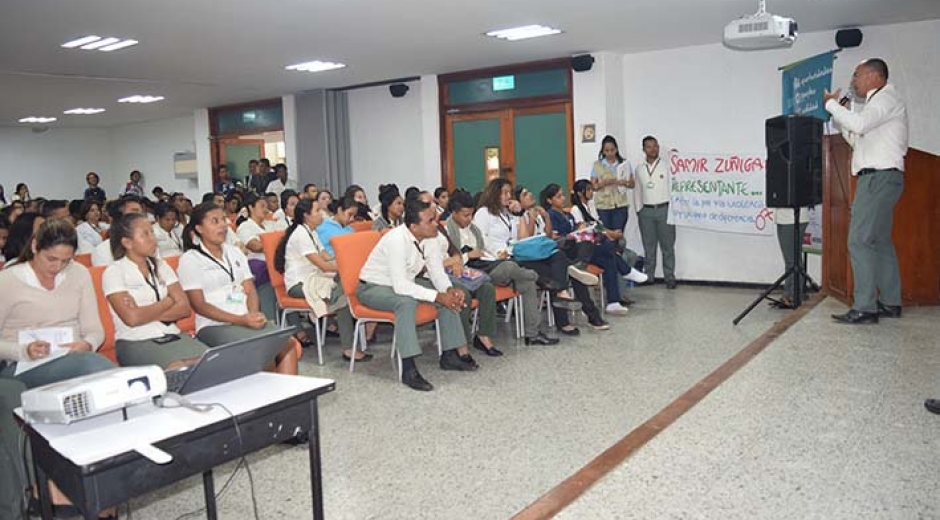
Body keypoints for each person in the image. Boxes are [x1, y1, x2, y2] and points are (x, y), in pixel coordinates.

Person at [0, 220, 115, 517]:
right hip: (22, 363)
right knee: (96, 368)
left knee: (92, 365)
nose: (57, 267)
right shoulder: (9, 280)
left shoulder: (77, 274)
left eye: (65, 260)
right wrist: (22, 349)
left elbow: (94, 329)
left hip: (70, 355)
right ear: (35, 247)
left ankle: (100, 474)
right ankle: (51, 488)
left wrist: (87, 343)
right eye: (51, 259)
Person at [358, 198, 479, 391]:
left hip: (404, 283)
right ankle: (408, 368)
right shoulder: (396, 240)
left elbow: (435, 270)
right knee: (405, 303)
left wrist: (447, 290)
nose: (436, 224)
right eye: (430, 221)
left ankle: (450, 354)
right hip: (373, 287)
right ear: (414, 226)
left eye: (434, 219)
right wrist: (438, 296)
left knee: (447, 296)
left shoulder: (430, 237)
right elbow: (400, 286)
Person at [823, 58, 907, 324]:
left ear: (873, 76)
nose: (853, 82)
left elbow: (859, 125)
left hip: (877, 180)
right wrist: (841, 118)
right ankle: (891, 302)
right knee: (879, 241)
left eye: (856, 76)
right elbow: (858, 140)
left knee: (858, 240)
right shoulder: (878, 104)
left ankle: (865, 307)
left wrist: (831, 105)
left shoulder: (885, 99)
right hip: (883, 178)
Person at [176, 202, 299, 374]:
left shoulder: (234, 252)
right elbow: (199, 306)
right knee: (263, 347)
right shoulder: (190, 259)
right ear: (199, 228)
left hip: (245, 319)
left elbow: (250, 290)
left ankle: (289, 398)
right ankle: (269, 397)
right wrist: (241, 320)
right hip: (215, 325)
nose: (223, 225)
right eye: (214, 221)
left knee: (289, 343)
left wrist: (252, 314)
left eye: (223, 220)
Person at [473, 178, 607, 334]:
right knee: (561, 270)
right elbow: (480, 239)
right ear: (494, 194)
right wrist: (497, 252)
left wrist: (520, 214)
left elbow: (521, 238)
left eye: (510, 192)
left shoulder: (508, 213)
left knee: (558, 258)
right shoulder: (483, 213)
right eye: (504, 193)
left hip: (518, 252)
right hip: (499, 259)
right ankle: (578, 311)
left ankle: (565, 299)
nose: (508, 196)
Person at [445, 190, 560, 348]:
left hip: (486, 264)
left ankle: (532, 334)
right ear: (454, 213)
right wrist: (468, 256)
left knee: (526, 283)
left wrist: (497, 253)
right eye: (465, 215)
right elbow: (448, 261)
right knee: (511, 267)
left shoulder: (473, 229)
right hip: (468, 272)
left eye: (471, 214)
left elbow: (486, 245)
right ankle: (538, 277)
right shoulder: (446, 231)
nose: (469, 219)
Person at [103, 213, 207, 368]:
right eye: (145, 234)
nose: (153, 238)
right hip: (135, 341)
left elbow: (184, 309)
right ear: (127, 242)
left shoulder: (161, 266)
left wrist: (143, 313)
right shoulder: (114, 272)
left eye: (152, 232)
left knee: (211, 360)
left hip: (171, 334)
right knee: (179, 369)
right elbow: (132, 319)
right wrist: (169, 301)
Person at [275, 199, 366, 361]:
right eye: (317, 210)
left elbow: (326, 257)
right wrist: (347, 267)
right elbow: (323, 266)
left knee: (345, 285)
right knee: (345, 298)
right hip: (299, 284)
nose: (321, 213)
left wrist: (343, 265)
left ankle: (335, 300)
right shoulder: (300, 234)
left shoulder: (313, 231)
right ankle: (348, 349)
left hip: (314, 278)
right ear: (306, 216)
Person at [543, 183, 646, 315]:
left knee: (609, 259)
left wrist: (580, 230)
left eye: (563, 195)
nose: (563, 198)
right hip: (570, 252)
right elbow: (557, 238)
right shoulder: (551, 215)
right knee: (608, 247)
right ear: (549, 200)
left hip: (581, 248)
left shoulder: (565, 214)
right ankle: (626, 271)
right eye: (558, 197)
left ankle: (613, 302)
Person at [633, 136, 678, 289]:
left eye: (655, 146)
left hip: (664, 209)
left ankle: (669, 277)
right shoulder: (639, 168)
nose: (653, 149)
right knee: (649, 246)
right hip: (646, 211)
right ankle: (649, 276)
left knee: (667, 246)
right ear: (644, 149)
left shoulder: (667, 166)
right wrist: (639, 210)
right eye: (649, 147)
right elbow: (637, 191)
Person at [235, 194, 277, 318]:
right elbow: (255, 246)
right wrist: (274, 244)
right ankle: (270, 320)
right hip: (256, 266)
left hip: (273, 263)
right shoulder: (245, 227)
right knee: (270, 276)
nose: (266, 209)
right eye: (262, 206)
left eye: (266, 206)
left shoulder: (270, 225)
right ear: (251, 208)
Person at [591, 135, 634, 234]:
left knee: (618, 234)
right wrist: (604, 183)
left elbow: (632, 184)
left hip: (620, 205)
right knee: (605, 235)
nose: (610, 153)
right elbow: (593, 187)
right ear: (603, 151)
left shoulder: (624, 164)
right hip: (603, 206)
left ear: (616, 149)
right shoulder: (597, 165)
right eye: (606, 150)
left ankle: (618, 250)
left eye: (612, 150)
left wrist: (625, 183)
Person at [93, 196, 144, 266]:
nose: (140, 217)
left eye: (141, 213)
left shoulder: (148, 244)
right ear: (118, 218)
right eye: (134, 212)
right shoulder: (102, 250)